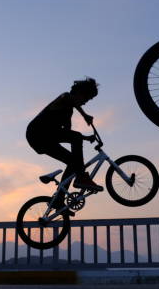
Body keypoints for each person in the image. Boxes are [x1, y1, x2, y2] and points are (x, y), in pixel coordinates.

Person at [26, 78, 103, 210]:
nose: (85, 103)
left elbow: (67, 133)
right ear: (79, 92)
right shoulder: (64, 98)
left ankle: (59, 199)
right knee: (76, 144)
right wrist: (84, 115)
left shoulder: (68, 112)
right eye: (86, 98)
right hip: (37, 134)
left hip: (46, 138)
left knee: (74, 162)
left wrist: (84, 138)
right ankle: (81, 177)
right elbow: (69, 98)